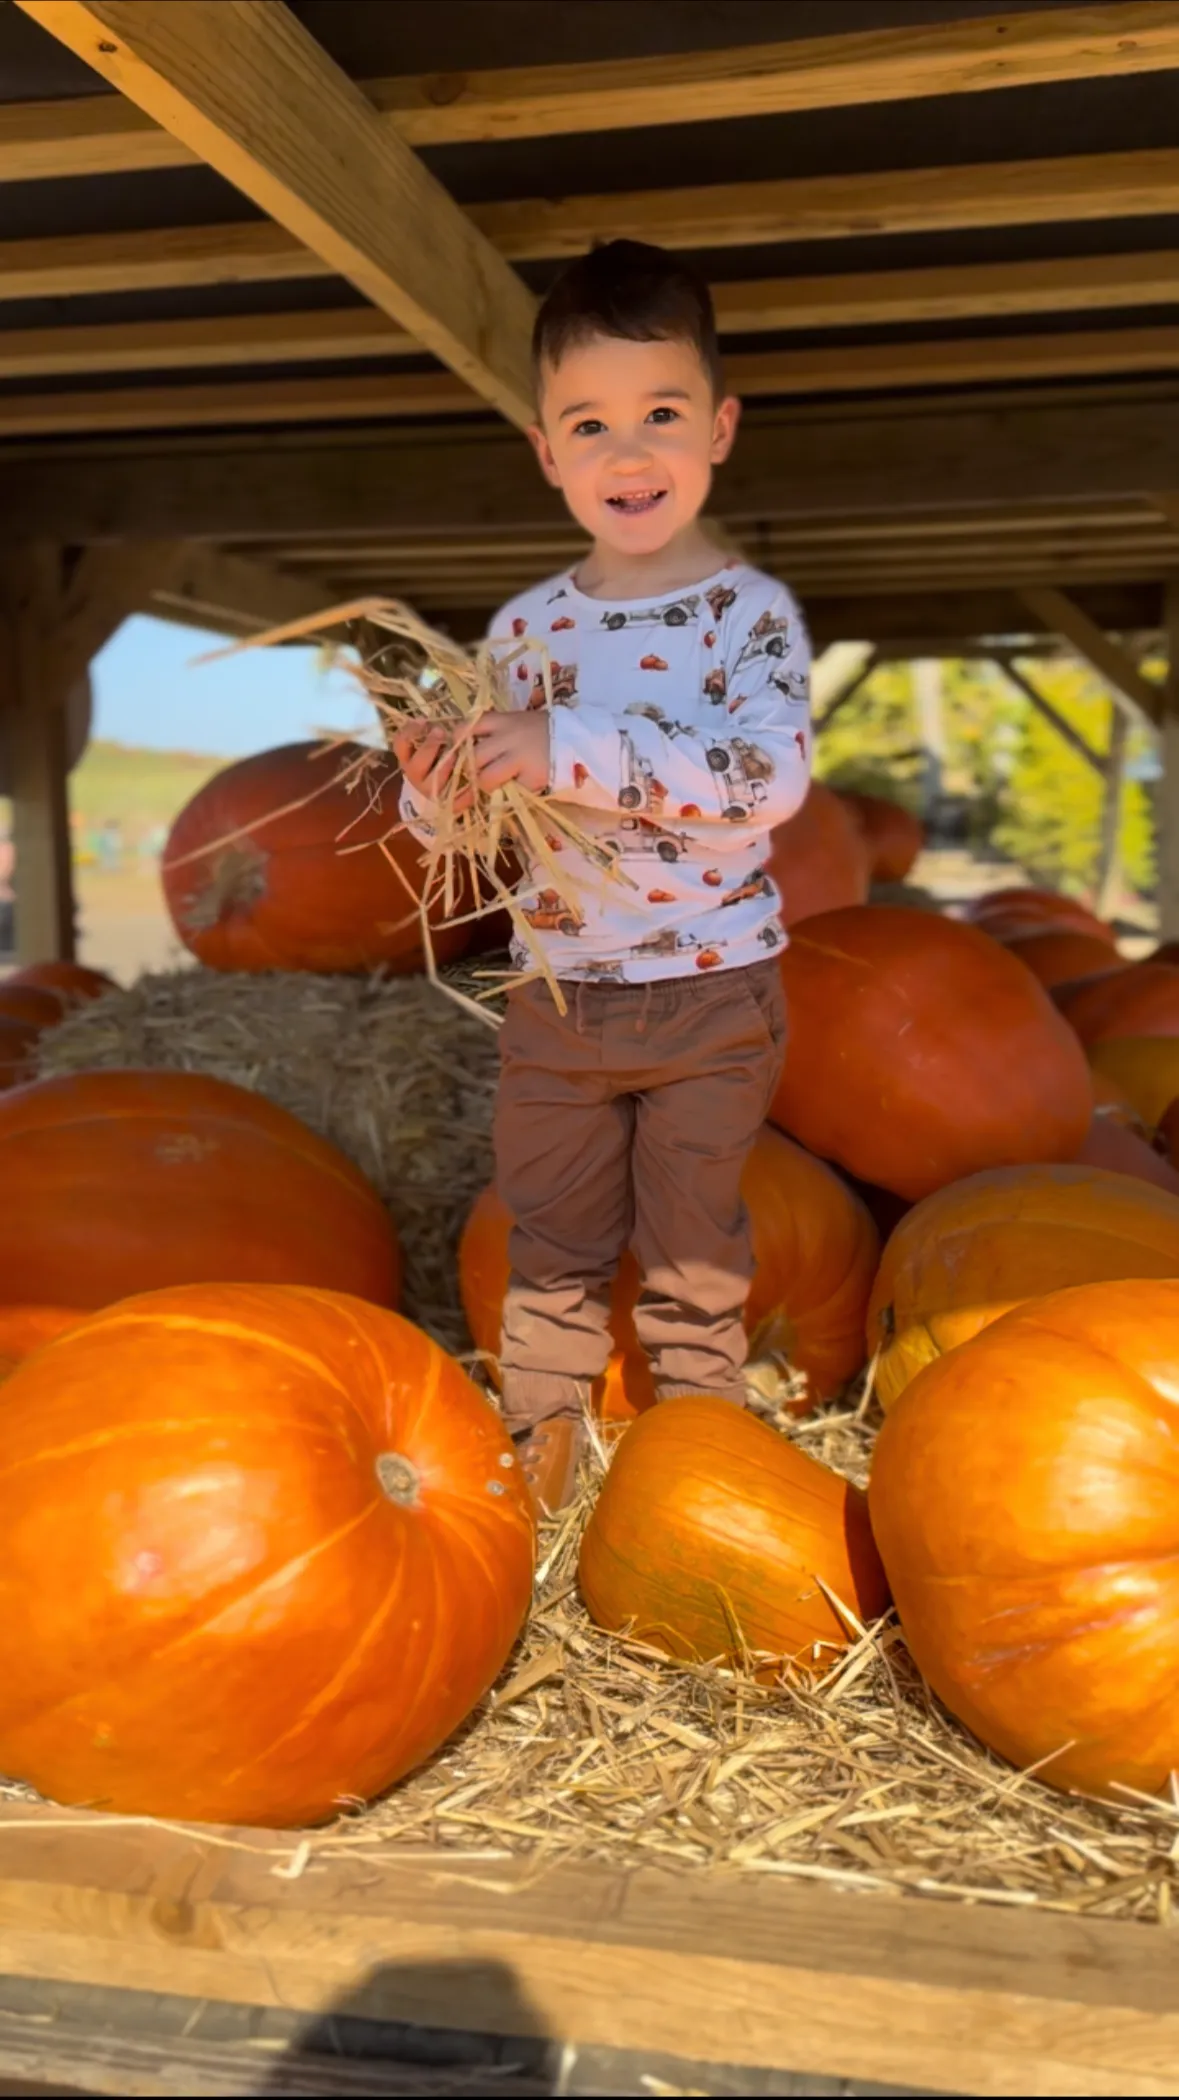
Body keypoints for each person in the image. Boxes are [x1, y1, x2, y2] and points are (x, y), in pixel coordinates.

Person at [397, 239, 811, 1514]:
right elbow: (476, 813)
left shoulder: (746, 619)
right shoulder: (525, 631)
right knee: (552, 1239)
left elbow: (764, 779)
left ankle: (699, 1466)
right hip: (562, 994)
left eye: (662, 416)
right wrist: (436, 782)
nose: (628, 455)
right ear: (548, 452)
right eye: (592, 423)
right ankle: (542, 1463)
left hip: (710, 994)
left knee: (692, 1243)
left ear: (720, 430)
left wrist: (561, 745)